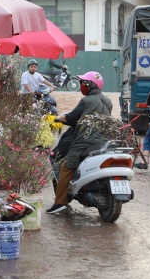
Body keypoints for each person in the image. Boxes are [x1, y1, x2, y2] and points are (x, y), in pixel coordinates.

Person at [46, 71, 112, 214]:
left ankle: (60, 202)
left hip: (85, 140)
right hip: (103, 140)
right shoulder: (108, 101)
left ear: (89, 85)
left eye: (83, 83)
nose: (81, 85)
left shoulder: (86, 101)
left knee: (66, 166)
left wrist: (58, 119)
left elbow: (71, 116)